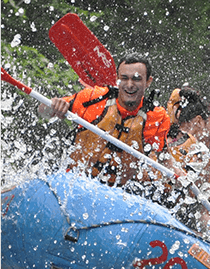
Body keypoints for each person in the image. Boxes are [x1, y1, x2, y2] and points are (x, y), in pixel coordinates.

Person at [39, 55, 175, 187]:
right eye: (124, 78)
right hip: (73, 182)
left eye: (137, 79)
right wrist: (53, 105)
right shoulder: (93, 97)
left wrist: (180, 177)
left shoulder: (157, 117)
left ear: (148, 82)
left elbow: (163, 157)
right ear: (117, 79)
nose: (129, 85)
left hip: (117, 194)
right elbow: (42, 112)